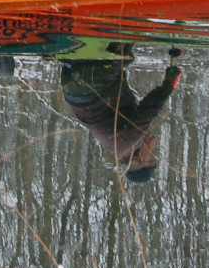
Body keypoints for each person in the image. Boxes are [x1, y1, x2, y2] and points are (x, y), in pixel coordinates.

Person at [58, 43, 182, 182]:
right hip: (73, 84)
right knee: (125, 55)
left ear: (140, 160)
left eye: (151, 158)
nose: (153, 153)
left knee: (122, 41)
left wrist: (169, 85)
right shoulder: (121, 148)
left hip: (92, 83)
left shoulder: (128, 143)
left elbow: (149, 109)